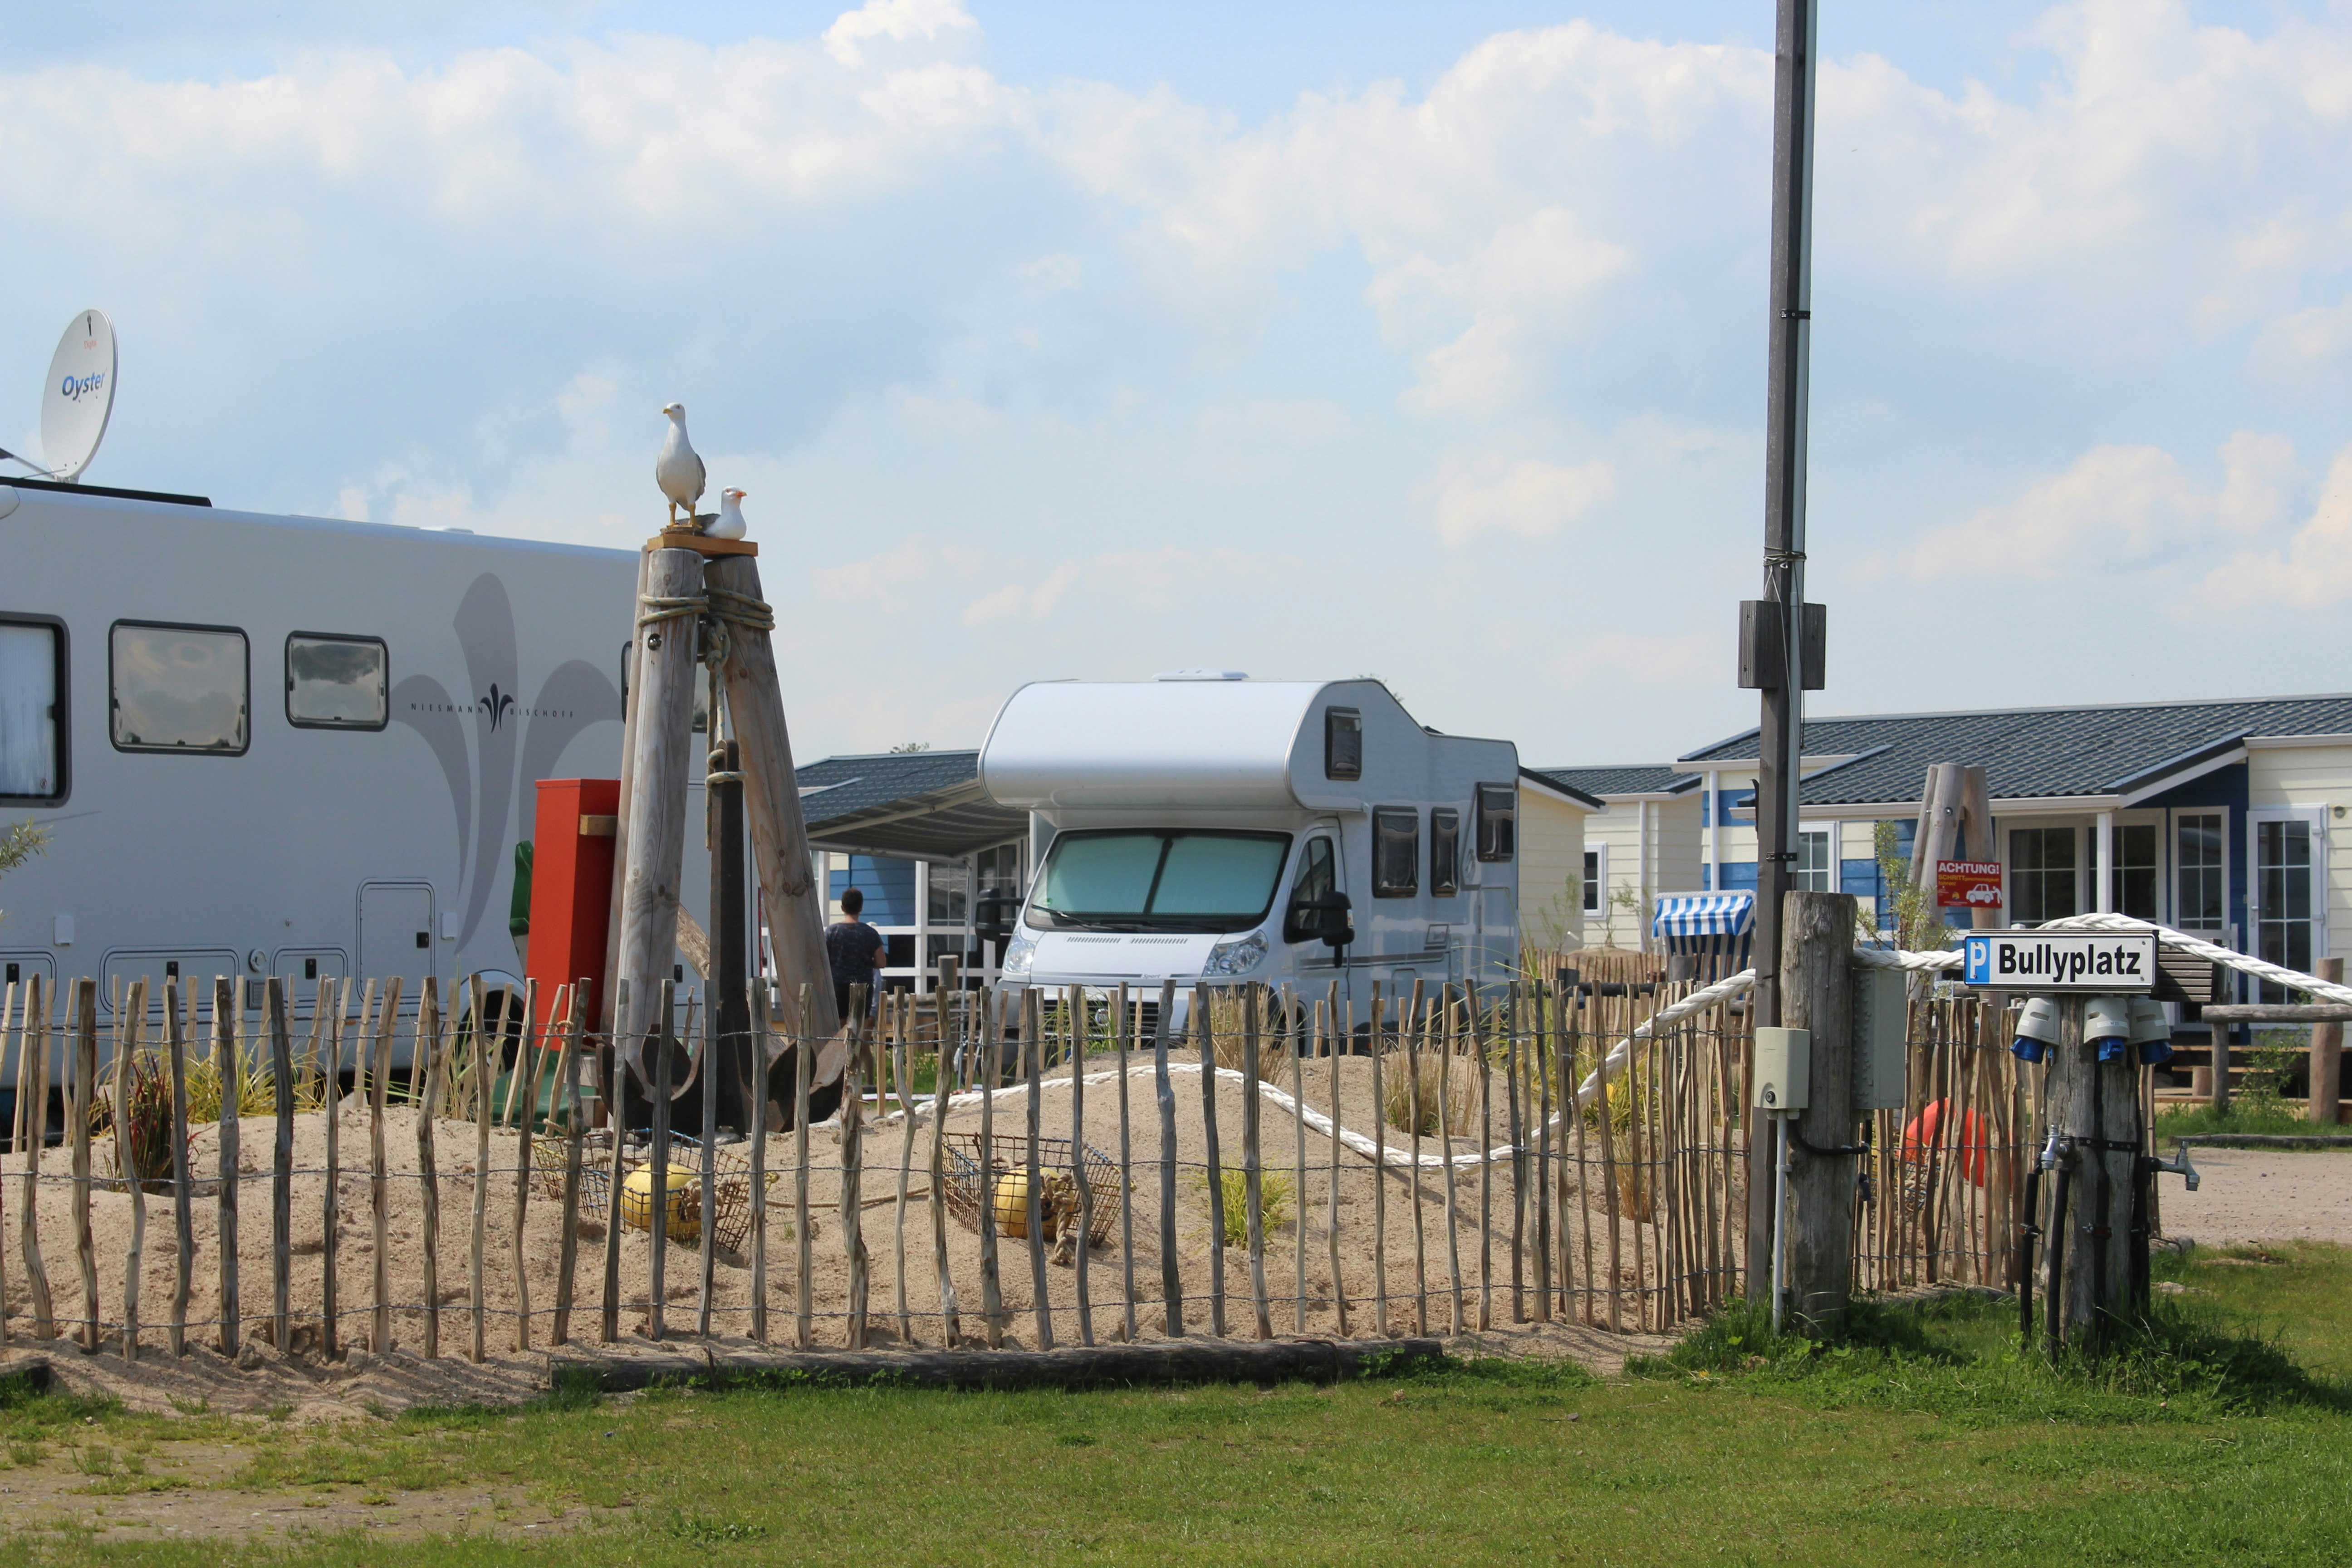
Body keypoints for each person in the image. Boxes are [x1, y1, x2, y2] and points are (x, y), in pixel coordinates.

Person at [826, 886, 887, 1022]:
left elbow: (823, 961)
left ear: (843, 908)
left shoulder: (832, 932)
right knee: (860, 1026)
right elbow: (882, 962)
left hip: (838, 986)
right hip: (863, 986)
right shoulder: (871, 933)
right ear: (861, 908)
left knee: (839, 1026)